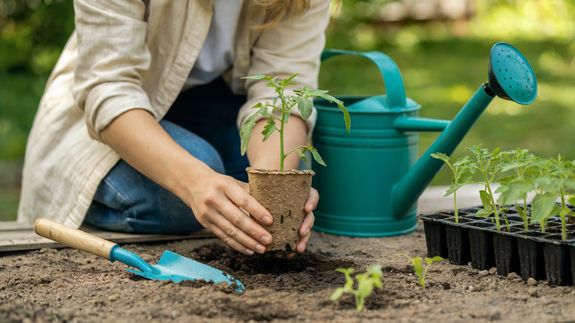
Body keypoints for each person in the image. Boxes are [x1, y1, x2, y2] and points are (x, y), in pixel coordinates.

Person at [18, 0, 331, 256]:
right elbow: (108, 88)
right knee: (181, 199)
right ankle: (89, 204)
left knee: (284, 174)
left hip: (214, 110)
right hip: (117, 115)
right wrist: (195, 183)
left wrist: (271, 195)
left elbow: (282, 90)